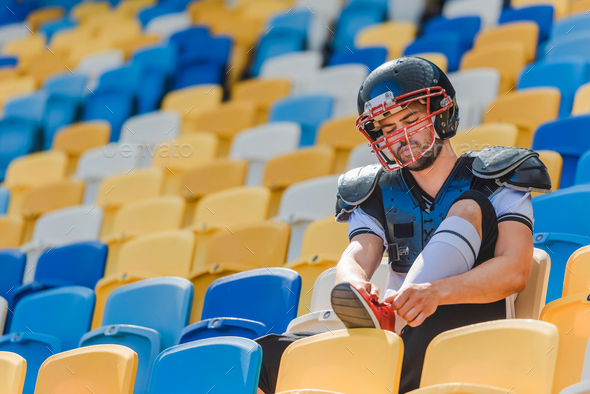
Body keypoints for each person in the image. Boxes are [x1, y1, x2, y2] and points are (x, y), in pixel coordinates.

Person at [255, 56, 551, 394]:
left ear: (441, 113)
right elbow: (356, 255)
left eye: (410, 119)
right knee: (262, 358)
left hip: (469, 336)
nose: (401, 135)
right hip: (398, 345)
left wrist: (435, 293)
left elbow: (515, 271)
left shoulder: (497, 175)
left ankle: (394, 323)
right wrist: (354, 288)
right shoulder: (376, 191)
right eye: (389, 128)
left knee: (471, 206)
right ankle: (389, 327)